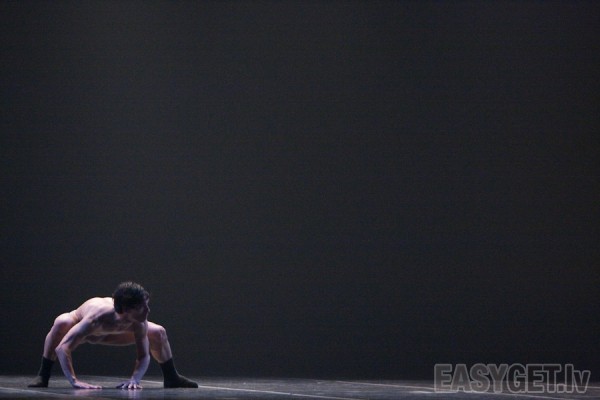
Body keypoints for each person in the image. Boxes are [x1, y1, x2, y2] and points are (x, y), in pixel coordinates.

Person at [28, 282, 198, 390]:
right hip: (88, 332)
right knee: (61, 322)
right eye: (142, 307)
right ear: (125, 310)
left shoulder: (138, 321)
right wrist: (74, 381)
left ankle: (171, 377)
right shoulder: (95, 318)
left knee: (158, 331)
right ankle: (43, 375)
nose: (148, 310)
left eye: (147, 305)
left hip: (115, 334)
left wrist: (135, 380)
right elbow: (62, 348)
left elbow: (143, 356)